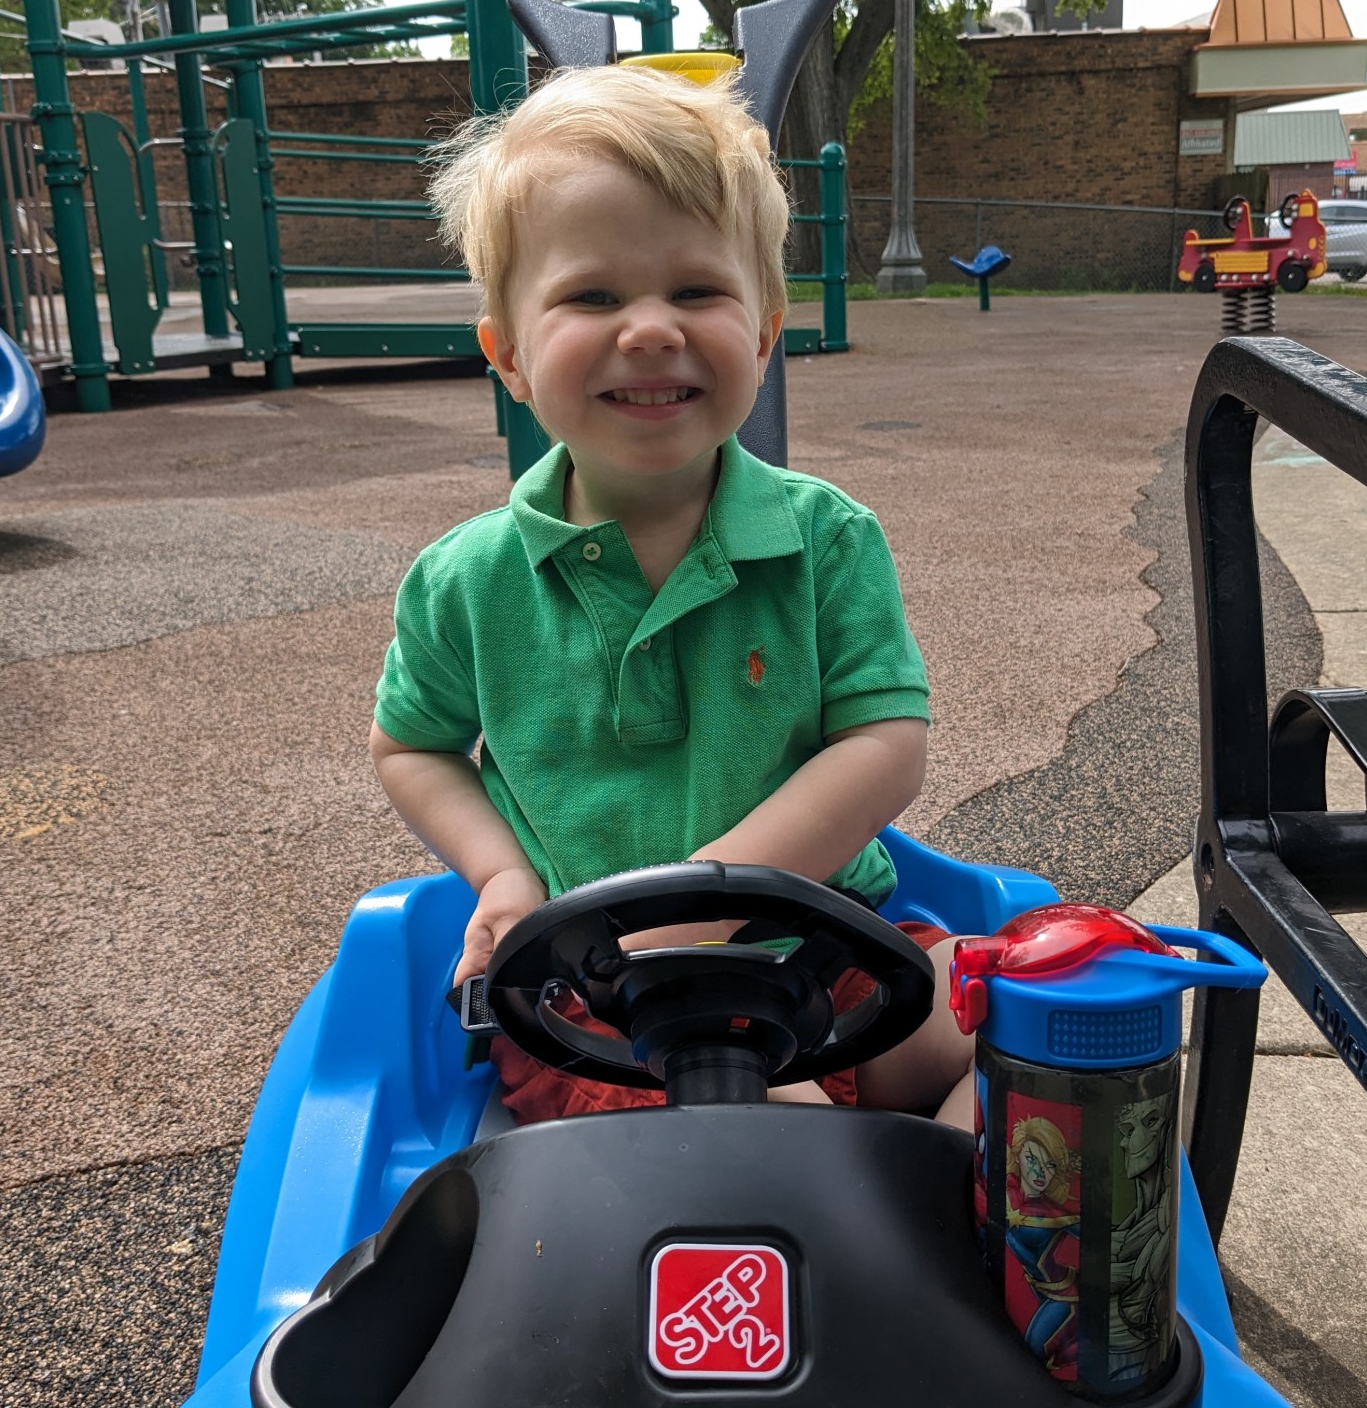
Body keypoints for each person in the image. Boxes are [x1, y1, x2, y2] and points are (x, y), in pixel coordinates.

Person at [370, 62, 973, 1127]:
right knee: (770, 1134)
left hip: (829, 949)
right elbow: (411, 746)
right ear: (508, 356)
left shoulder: (826, 540)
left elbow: (885, 747)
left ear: (764, 332)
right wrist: (502, 875)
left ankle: (971, 1213)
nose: (650, 327)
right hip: (604, 1005)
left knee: (1037, 1025)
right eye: (592, 296)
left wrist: (708, 896)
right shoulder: (466, 579)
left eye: (696, 291)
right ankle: (840, 1189)